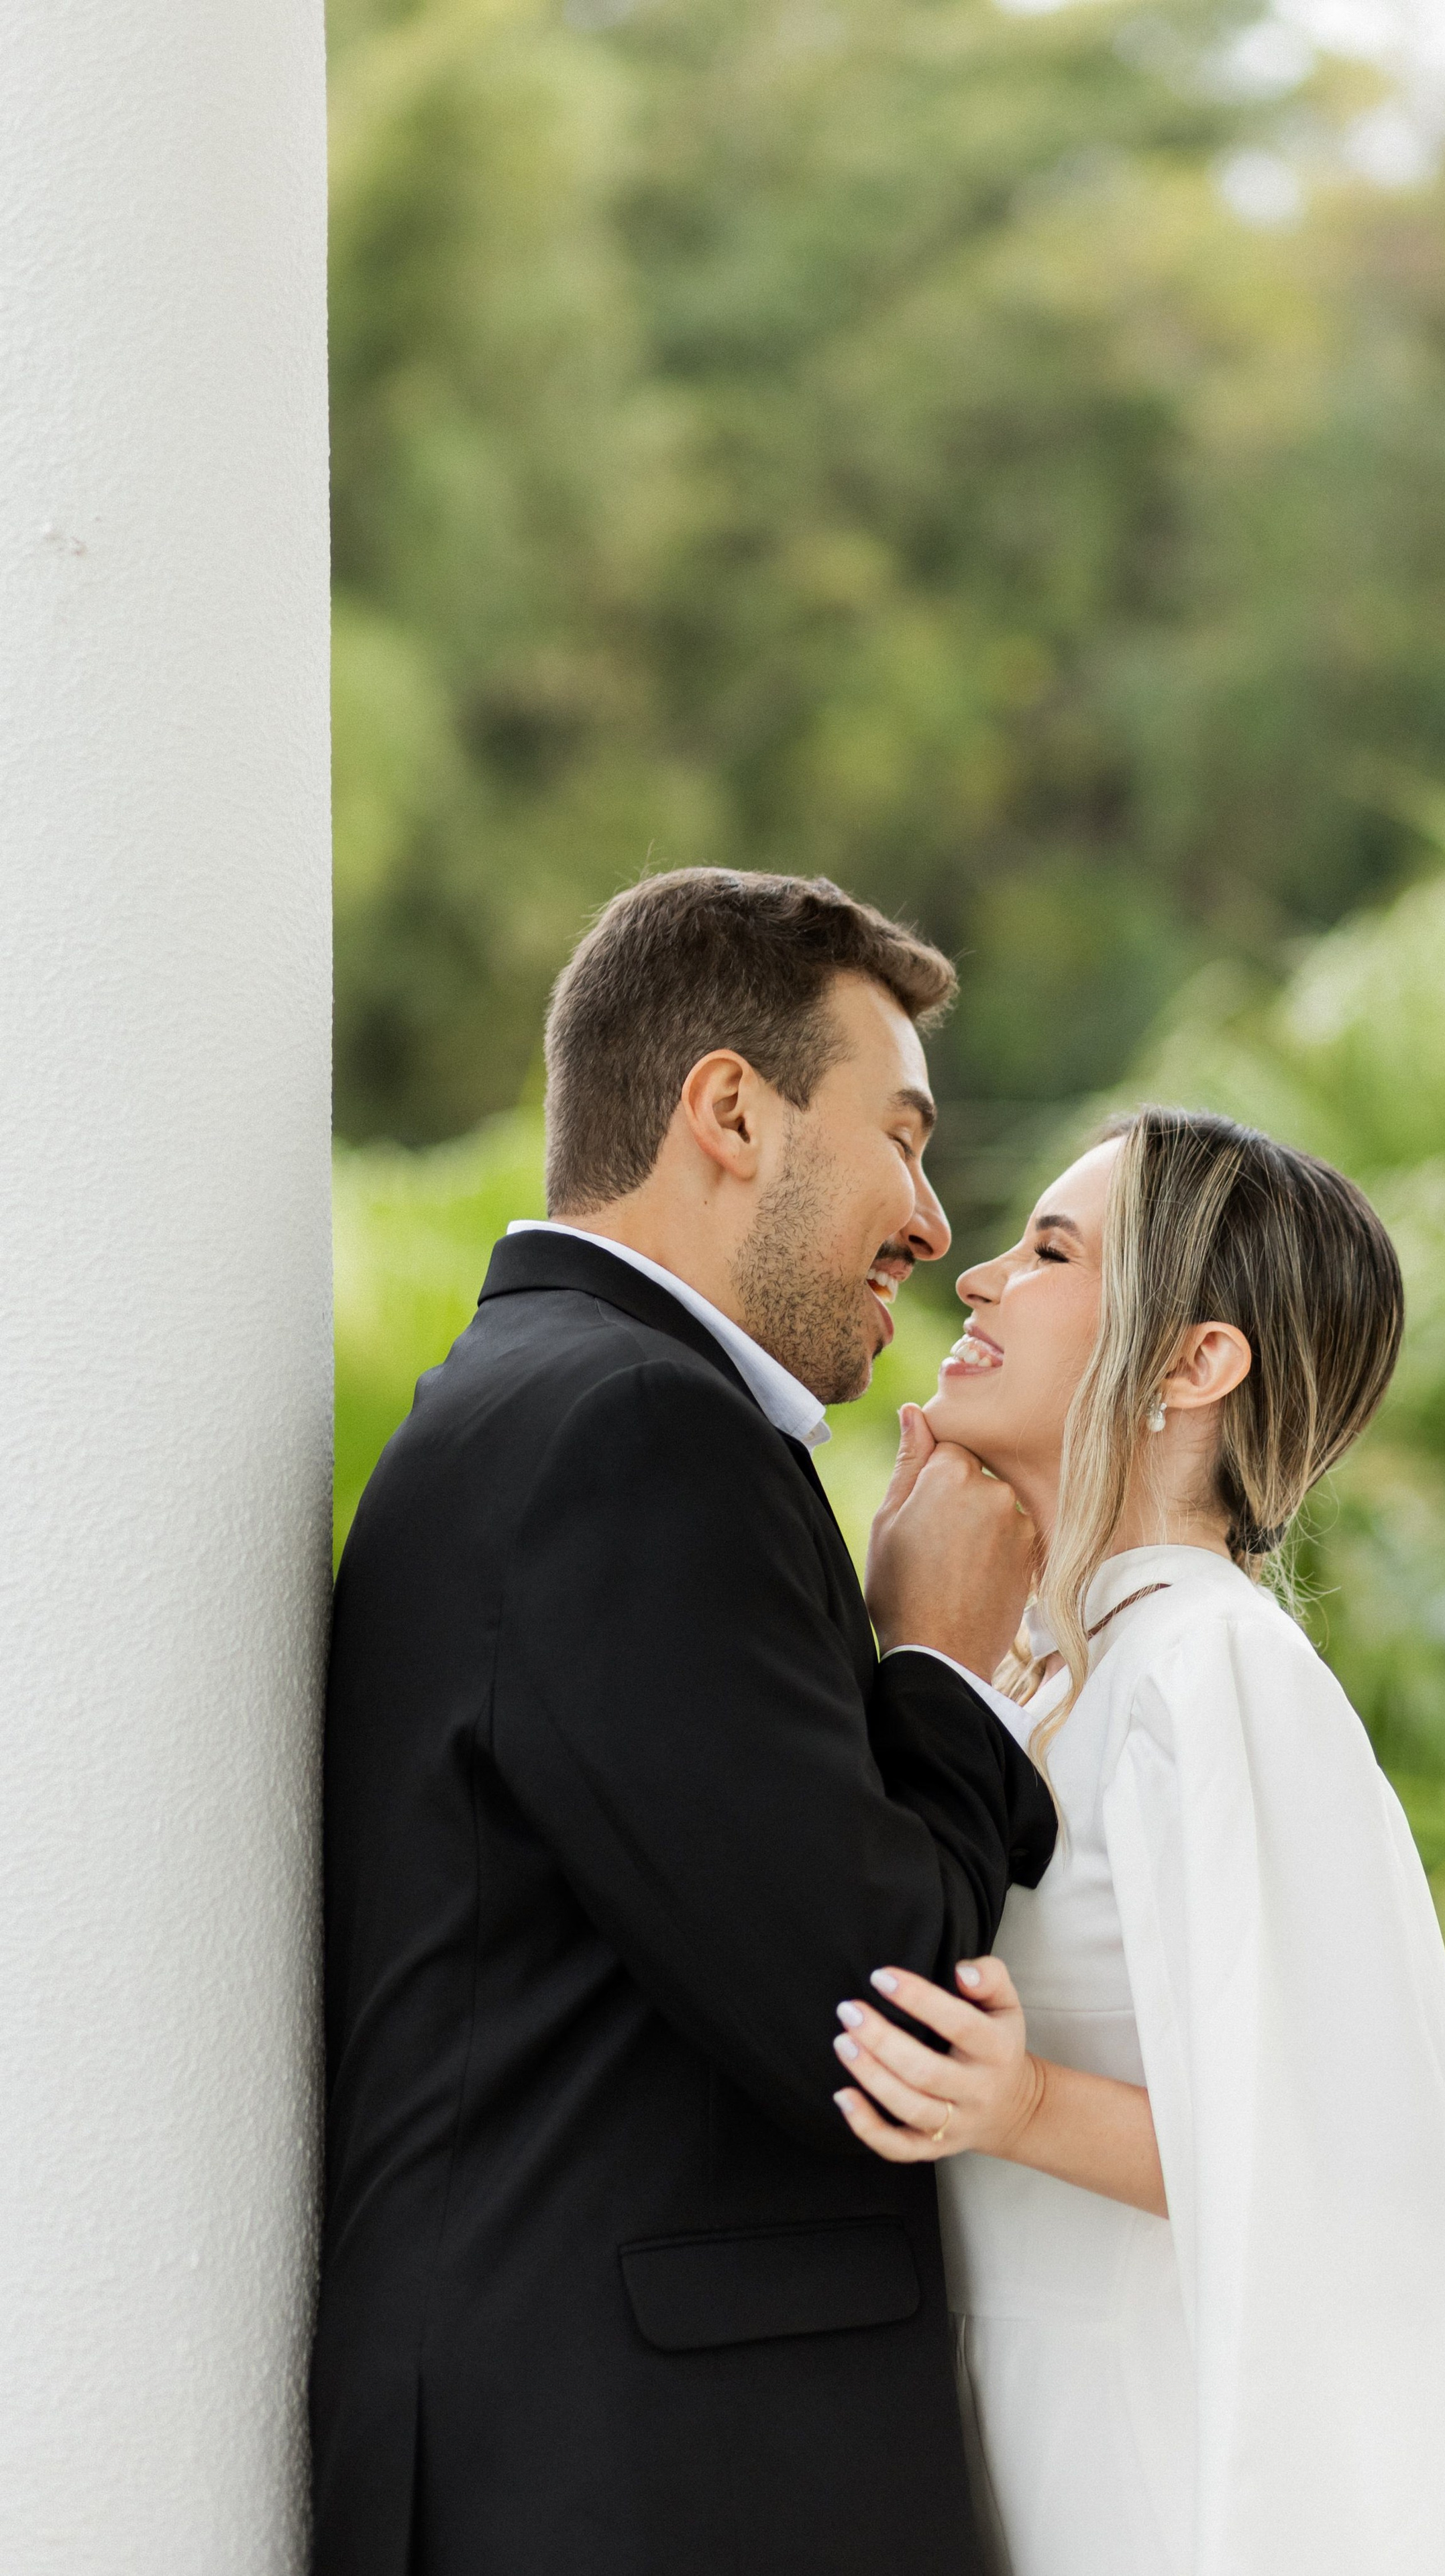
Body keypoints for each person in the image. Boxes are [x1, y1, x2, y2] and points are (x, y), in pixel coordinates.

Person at [310, 869, 1059, 2576]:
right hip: (644, 2495)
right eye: (902, 1139)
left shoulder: (531, 1399)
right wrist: (939, 1665)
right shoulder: (636, 1433)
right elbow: (873, 2017)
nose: (930, 1223)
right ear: (729, 1111)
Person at [828, 1107, 1445, 2576]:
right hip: (1006, 2430)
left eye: (1050, 1251)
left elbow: (1326, 2145)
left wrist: (1021, 2101)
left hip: (1147, 2467)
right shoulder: (1052, 1676)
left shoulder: (1211, 1671)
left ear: (1194, 1361)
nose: (978, 1276)